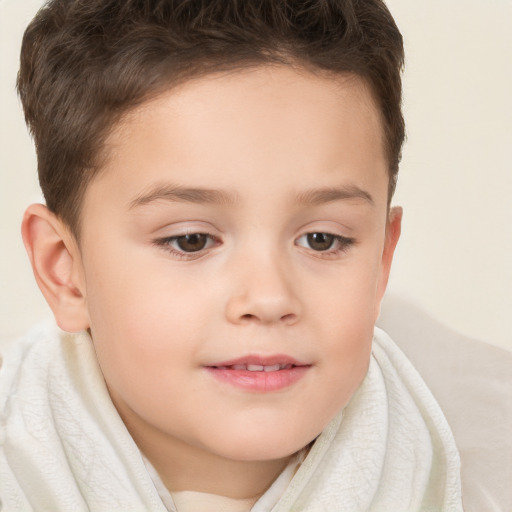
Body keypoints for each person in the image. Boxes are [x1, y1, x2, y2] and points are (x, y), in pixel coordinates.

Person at [0, 1, 463, 511]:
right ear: (64, 271)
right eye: (191, 240)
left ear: (380, 264)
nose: (268, 298)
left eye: (322, 240)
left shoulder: (479, 465)